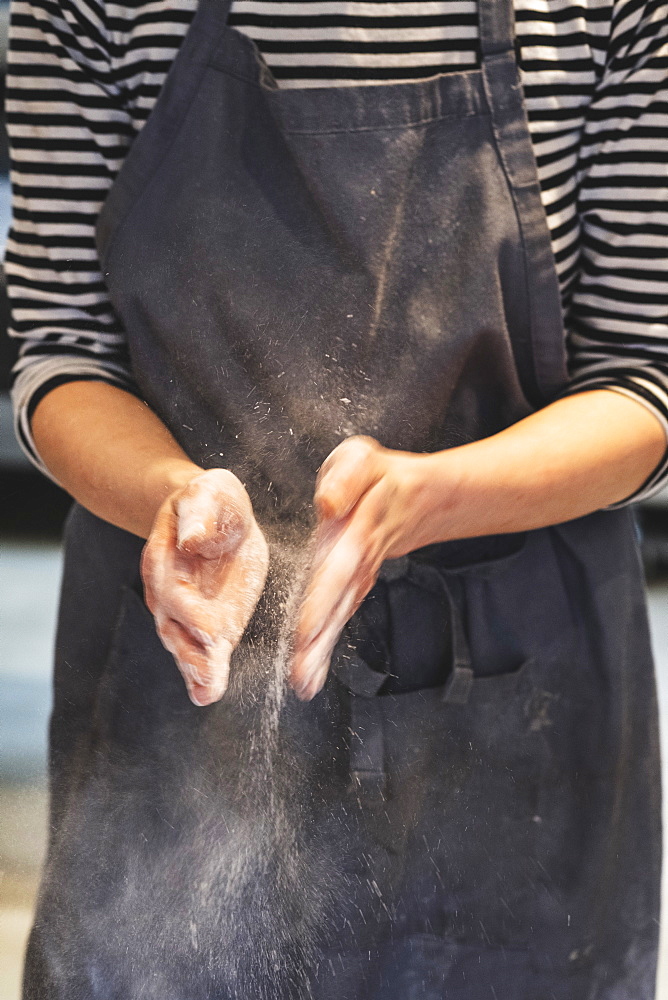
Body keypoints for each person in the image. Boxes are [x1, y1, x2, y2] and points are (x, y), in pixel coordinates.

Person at [6, 0, 668, 995]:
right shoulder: (90, 11)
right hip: (181, 647)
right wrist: (174, 492)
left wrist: (436, 494)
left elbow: (643, 382)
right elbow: (58, 355)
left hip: (518, 694)